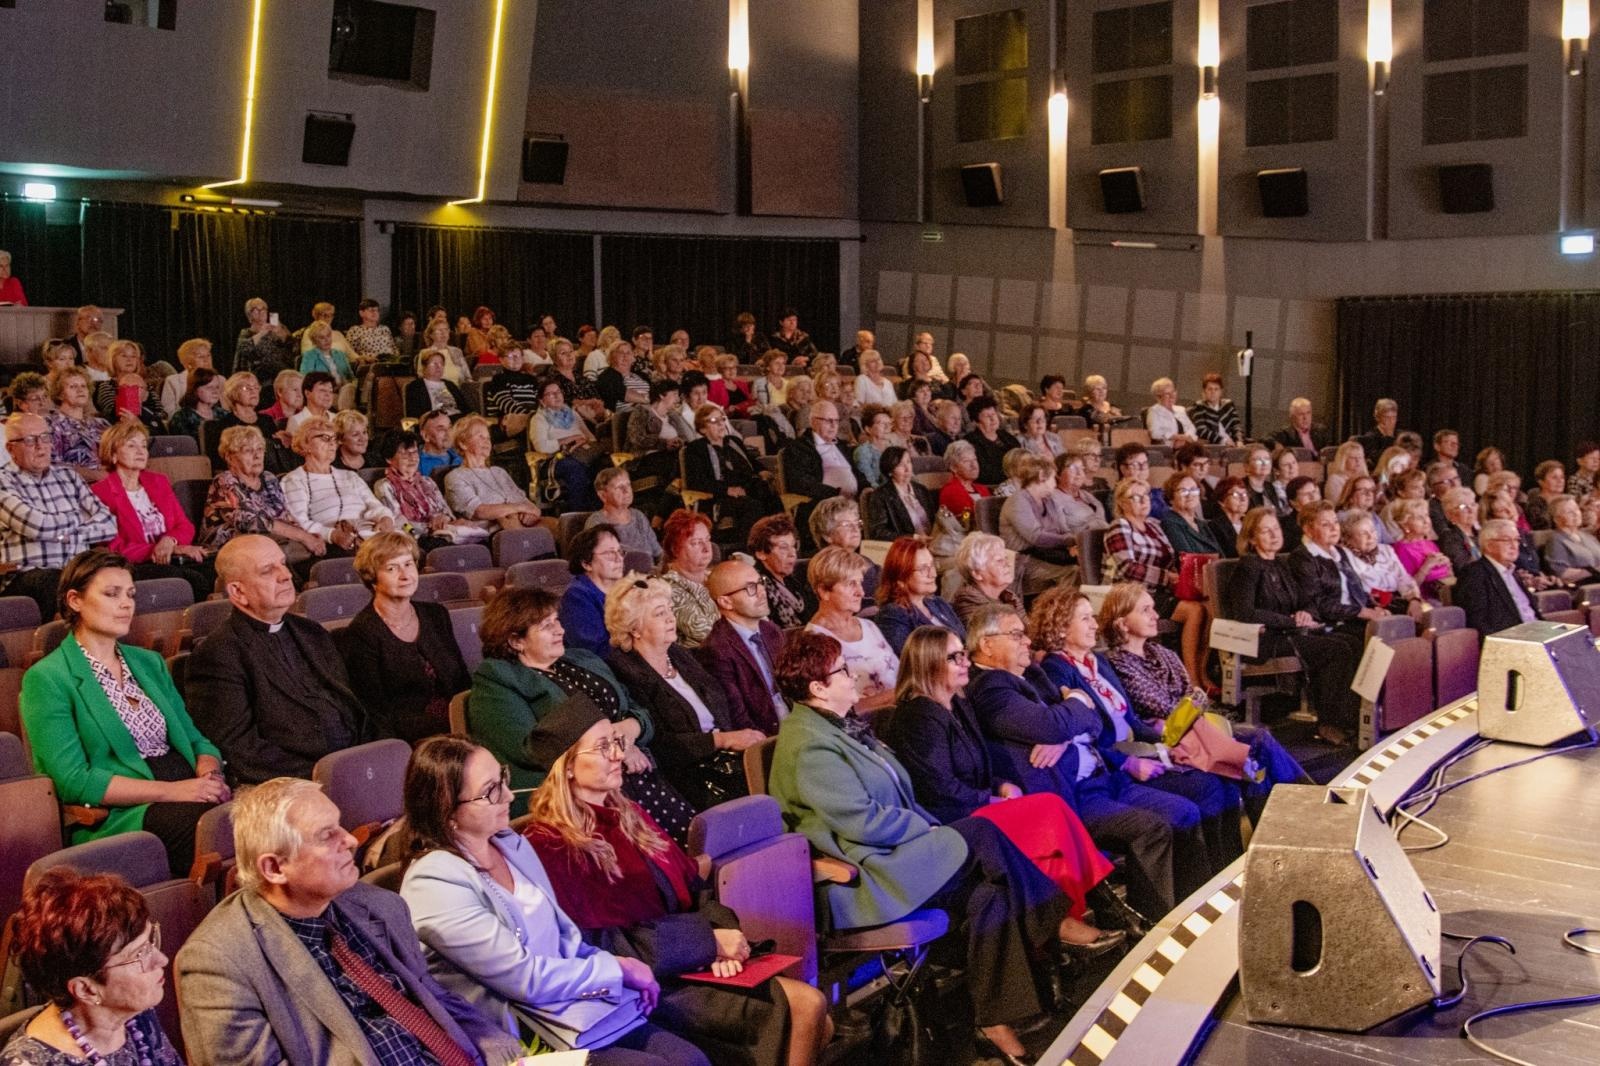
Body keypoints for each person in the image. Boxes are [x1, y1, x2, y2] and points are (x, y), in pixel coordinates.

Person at [769, 630, 1070, 1063]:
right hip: (863, 874)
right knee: (985, 831)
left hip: (895, 853)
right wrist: (926, 830)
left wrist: (925, 827)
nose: (853, 676)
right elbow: (861, 820)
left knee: (991, 895)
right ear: (818, 688)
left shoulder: (840, 726)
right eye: (842, 671)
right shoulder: (810, 742)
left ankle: (993, 1020)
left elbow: (897, 796)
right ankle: (1052, 925)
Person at [396, 738, 712, 1066]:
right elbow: (524, 979)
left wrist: (618, 972)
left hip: (571, 1010)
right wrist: (616, 968)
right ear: (447, 813)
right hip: (522, 1037)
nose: (507, 794)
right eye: (490, 790)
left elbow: (567, 941)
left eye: (502, 778)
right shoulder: (434, 881)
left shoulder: (510, 844)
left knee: (691, 1058)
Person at [176, 777, 520, 1066]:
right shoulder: (219, 962)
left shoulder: (379, 906)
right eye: (327, 836)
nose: (352, 840)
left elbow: (433, 999)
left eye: (340, 825)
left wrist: (503, 1051)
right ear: (275, 868)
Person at [965, 600, 1214, 918]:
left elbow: (1095, 724)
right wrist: (1070, 714)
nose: (1027, 641)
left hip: (1102, 774)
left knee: (1187, 812)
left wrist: (1068, 726)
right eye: (1016, 635)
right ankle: (1155, 928)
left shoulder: (1033, 674)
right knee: (1152, 829)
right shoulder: (991, 688)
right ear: (987, 644)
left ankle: (1196, 915)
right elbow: (1051, 724)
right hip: (1069, 794)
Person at [885, 625, 1131, 945]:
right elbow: (938, 787)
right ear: (929, 661)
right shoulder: (917, 716)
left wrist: (1001, 785)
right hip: (952, 818)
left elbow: (980, 763)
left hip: (979, 804)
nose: (965, 662)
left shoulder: (957, 704)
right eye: (955, 656)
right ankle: (1078, 919)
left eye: (963, 654)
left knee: (1049, 806)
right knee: (1044, 809)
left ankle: (1093, 908)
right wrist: (990, 800)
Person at [20, 551, 227, 876]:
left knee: (258, 819)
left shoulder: (149, 662)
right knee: (213, 830)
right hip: (123, 811)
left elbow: (198, 741)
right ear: (74, 600)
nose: (126, 604)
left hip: (189, 787)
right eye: (111, 594)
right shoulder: (47, 677)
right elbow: (73, 781)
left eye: (130, 594)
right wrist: (175, 792)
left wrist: (209, 777)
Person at [467, 585, 694, 839]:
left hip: (636, 772)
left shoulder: (582, 660)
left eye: (557, 621)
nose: (560, 630)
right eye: (546, 626)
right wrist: (612, 746)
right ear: (515, 641)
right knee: (664, 854)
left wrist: (627, 731)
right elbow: (531, 749)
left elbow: (640, 711)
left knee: (696, 841)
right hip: (574, 791)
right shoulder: (497, 680)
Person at [1095, 584, 1309, 810]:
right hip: (1170, 741)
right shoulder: (1118, 664)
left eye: (1154, 609)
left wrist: (1190, 704)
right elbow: (1165, 706)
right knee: (1255, 744)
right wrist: (1191, 703)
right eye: (1145, 610)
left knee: (1255, 752)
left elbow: (1194, 697)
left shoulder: (1163, 653)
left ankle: (1295, 813)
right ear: (1122, 623)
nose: (1156, 616)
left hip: (1195, 730)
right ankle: (1308, 806)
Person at [186, 536, 367, 784]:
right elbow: (241, 749)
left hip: (351, 762)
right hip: (295, 783)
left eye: (283, 564)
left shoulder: (311, 631)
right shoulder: (218, 654)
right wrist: (325, 776)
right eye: (268, 570)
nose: (286, 575)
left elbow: (354, 704)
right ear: (238, 592)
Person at [607, 577, 761, 810]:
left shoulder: (679, 654)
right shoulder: (625, 672)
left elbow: (721, 705)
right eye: (660, 613)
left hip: (728, 759)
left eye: (670, 609)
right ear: (635, 628)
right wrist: (722, 740)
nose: (671, 618)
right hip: (688, 776)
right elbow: (659, 743)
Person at [2, 870, 182, 1065]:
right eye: (139, 954)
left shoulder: (135, 1014)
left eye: (150, 941)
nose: (162, 959)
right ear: (86, 990)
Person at [1223, 508, 1363, 746]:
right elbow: (1245, 613)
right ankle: (1329, 722)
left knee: (1350, 642)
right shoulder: (1248, 567)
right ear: (1252, 537)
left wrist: (1305, 613)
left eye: (1276, 529)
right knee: (1335, 650)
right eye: (1266, 531)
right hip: (1264, 640)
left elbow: (1304, 600)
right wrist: (1290, 621)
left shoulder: (1280, 563)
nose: (1274, 534)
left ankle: (1348, 718)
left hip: (1289, 632)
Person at [337, 532, 468, 745]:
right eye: (392, 568)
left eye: (408, 564)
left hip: (458, 726)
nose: (405, 575)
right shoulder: (361, 633)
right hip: (412, 740)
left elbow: (461, 680)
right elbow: (377, 713)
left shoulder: (436, 615)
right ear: (372, 579)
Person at [0, 412, 119, 616]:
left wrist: (67, 534)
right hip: (25, 575)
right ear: (11, 449)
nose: (40, 445)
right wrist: (78, 516)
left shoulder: (68, 476)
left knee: (118, 577)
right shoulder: (4, 481)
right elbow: (36, 525)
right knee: (55, 582)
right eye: (30, 440)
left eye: (45, 437)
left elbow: (109, 524)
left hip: (77, 570)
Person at [87, 421, 215, 601]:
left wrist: (170, 541)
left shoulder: (159, 482)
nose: (140, 451)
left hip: (171, 557)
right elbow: (113, 547)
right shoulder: (100, 493)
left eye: (143, 445)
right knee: (190, 580)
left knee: (215, 568)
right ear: (113, 454)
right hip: (135, 565)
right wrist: (159, 549)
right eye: (131, 445)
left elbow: (184, 525)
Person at [1104, 478, 1209, 688]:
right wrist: (1166, 577)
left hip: (1159, 591)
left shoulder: (1154, 525)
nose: (1144, 501)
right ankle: (1191, 678)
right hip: (1129, 593)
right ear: (1122, 503)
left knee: (1208, 606)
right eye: (1136, 497)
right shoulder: (1119, 526)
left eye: (1147, 496)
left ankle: (1201, 670)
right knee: (1194, 611)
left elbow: (1170, 559)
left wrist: (1178, 575)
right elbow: (1127, 567)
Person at [200, 425, 322, 562]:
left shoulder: (268, 478)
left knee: (315, 543)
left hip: (273, 539)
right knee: (276, 548)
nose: (257, 456)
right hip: (232, 546)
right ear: (229, 457)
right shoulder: (225, 481)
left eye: (259, 449)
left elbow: (284, 515)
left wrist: (309, 534)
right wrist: (301, 536)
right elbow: (249, 522)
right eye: (248, 451)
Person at [700, 559, 790, 735]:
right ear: (726, 602)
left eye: (760, 583)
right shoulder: (716, 650)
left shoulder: (770, 630)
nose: (762, 592)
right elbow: (738, 718)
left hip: (796, 723)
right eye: (750, 588)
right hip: (767, 737)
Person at [279, 420, 396, 553]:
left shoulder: (350, 476)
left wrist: (385, 517)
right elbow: (300, 522)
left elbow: (374, 504)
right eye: (324, 438)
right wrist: (331, 534)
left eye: (334, 439)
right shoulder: (294, 480)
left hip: (369, 531)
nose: (332, 443)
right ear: (306, 444)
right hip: (335, 542)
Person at [1287, 501, 1389, 633]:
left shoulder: (1339, 552)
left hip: (1354, 615)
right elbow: (1318, 603)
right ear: (1308, 530)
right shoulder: (1303, 558)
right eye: (1325, 525)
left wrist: (1374, 605)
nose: (1334, 528)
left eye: (1335, 522)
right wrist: (1362, 612)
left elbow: (1353, 589)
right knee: (1380, 635)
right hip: (1333, 623)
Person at [682, 403, 777, 538]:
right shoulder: (696, 449)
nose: (721, 424)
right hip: (721, 497)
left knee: (774, 500)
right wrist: (727, 490)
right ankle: (750, 549)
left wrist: (761, 470)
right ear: (703, 429)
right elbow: (697, 482)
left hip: (748, 488)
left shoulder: (734, 441)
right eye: (714, 421)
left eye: (722, 419)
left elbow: (752, 462)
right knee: (752, 506)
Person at [446, 414, 546, 530]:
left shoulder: (499, 472)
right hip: (495, 533)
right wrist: (521, 508)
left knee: (561, 526)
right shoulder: (456, 476)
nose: (487, 442)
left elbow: (526, 502)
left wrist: (532, 513)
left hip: (524, 525)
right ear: (463, 444)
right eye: (480, 437)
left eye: (488, 438)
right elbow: (479, 511)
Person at [999, 452, 1077, 596]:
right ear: (1041, 476)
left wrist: (1073, 545)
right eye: (1053, 477)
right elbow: (1036, 537)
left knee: (1083, 565)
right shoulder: (1017, 501)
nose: (1056, 482)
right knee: (1072, 572)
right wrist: (1070, 540)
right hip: (1023, 560)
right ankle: (1062, 614)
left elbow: (1062, 529)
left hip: (1048, 554)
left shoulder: (1050, 500)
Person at [779, 402, 856, 547]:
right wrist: (836, 493)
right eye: (828, 421)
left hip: (852, 502)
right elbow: (801, 483)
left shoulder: (842, 446)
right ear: (813, 421)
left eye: (836, 421)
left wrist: (866, 489)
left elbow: (858, 475)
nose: (834, 425)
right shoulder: (798, 448)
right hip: (822, 503)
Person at [873, 536, 965, 656]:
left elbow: (964, 641)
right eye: (923, 569)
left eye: (932, 565)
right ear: (901, 577)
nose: (933, 574)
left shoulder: (938, 603)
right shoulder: (892, 616)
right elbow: (911, 662)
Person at [1455, 519, 1539, 640]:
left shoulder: (1513, 573)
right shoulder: (1474, 574)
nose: (1514, 545)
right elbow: (1478, 622)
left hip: (1536, 635)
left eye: (1516, 539)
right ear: (1489, 545)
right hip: (1512, 642)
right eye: (1506, 540)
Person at [529, 378, 605, 511]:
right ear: (542, 401)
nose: (557, 395)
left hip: (580, 453)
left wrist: (582, 441)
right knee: (575, 468)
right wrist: (569, 440)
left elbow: (590, 437)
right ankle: (579, 512)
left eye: (558, 392)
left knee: (602, 464)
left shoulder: (572, 413)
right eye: (550, 394)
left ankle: (599, 509)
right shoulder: (538, 419)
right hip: (554, 459)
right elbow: (541, 447)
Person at [371, 431, 455, 550]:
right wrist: (426, 529)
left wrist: (443, 518)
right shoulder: (384, 486)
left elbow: (447, 512)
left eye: (415, 452)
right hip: (414, 539)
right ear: (389, 459)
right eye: (405, 454)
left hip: (444, 532)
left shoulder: (427, 481)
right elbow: (398, 520)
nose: (412, 458)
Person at [559, 523, 626, 657]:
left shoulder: (627, 588)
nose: (619, 559)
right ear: (586, 563)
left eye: (620, 551)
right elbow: (594, 652)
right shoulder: (576, 597)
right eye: (609, 553)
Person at [1339, 510, 1421, 613]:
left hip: (1400, 601)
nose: (1370, 537)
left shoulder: (1386, 550)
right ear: (1348, 539)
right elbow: (1360, 592)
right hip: (1371, 607)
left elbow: (1403, 578)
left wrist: (1414, 600)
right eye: (1363, 534)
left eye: (1372, 531)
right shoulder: (1344, 557)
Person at [659, 509, 719, 648]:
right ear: (675, 549)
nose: (707, 548)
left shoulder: (716, 576)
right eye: (696, 542)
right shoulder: (667, 589)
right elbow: (706, 632)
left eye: (708, 540)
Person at [748, 513, 814, 629]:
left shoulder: (794, 582)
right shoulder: (757, 588)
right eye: (784, 547)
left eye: (794, 546)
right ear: (761, 553)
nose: (792, 554)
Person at [587, 467, 663, 563]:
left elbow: (658, 553)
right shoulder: (597, 523)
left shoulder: (639, 516)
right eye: (619, 487)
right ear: (603, 495)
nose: (626, 491)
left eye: (628, 485)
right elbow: (599, 563)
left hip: (650, 575)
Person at [949, 531, 1022, 627]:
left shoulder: (1009, 596)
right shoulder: (968, 602)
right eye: (999, 561)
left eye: (1006, 558)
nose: (1008, 564)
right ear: (977, 573)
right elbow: (995, 639)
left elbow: (1029, 631)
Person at [865, 446, 937, 541]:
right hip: (905, 547)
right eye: (900, 465)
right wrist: (913, 538)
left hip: (932, 542)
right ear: (890, 471)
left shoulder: (921, 489)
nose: (907, 469)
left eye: (908, 462)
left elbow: (934, 519)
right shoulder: (880, 496)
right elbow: (878, 532)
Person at [1389, 498, 1453, 603]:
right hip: (1423, 601)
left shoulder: (1430, 543)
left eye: (1426, 515)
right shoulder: (1401, 549)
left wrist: (1448, 565)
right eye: (1419, 518)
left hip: (1445, 595)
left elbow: (1449, 576)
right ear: (1405, 524)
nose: (1426, 521)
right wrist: (1426, 566)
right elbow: (1407, 588)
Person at [46, 365, 110, 468]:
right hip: (75, 481)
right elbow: (53, 466)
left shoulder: (101, 423)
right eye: (73, 386)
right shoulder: (51, 424)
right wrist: (97, 475)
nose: (80, 390)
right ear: (60, 394)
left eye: (83, 386)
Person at [962, 396, 1019, 487]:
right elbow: (984, 473)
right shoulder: (971, 442)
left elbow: (1021, 458)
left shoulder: (1007, 437)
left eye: (993, 414)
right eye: (987, 416)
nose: (993, 419)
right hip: (991, 487)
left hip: (1016, 482)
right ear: (977, 421)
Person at [1160, 473, 1222, 556]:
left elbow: (1220, 555)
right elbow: (1186, 557)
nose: (1190, 495)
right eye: (1183, 491)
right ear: (1171, 498)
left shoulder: (1202, 524)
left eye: (1193, 490)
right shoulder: (1170, 523)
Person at [234, 298, 296, 381]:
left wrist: (281, 334)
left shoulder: (277, 328)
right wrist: (261, 333)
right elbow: (244, 349)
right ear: (249, 314)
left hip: (282, 375)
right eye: (256, 310)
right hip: (259, 379)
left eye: (263, 309)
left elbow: (293, 346)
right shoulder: (246, 333)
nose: (261, 313)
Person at [1542, 493, 1600, 582]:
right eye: (1569, 512)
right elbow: (1562, 573)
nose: (1576, 514)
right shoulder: (1555, 540)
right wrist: (1593, 571)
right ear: (1556, 519)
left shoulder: (1589, 537)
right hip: (1582, 587)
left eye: (1576, 509)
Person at [938, 439, 991, 531]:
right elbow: (966, 518)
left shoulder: (983, 489)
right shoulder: (951, 491)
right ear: (954, 467)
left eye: (975, 460)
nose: (974, 465)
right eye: (966, 461)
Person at [405, 349, 466, 419]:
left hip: (458, 421)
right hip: (436, 421)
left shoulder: (450, 385)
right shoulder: (416, 386)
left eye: (441, 364)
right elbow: (414, 414)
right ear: (424, 367)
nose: (438, 367)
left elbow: (465, 407)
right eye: (434, 364)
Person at [159, 338, 213, 417]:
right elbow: (168, 412)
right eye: (201, 357)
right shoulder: (173, 381)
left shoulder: (219, 379)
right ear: (188, 362)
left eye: (208, 355)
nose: (206, 360)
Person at [167, 368, 224, 441]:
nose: (215, 391)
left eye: (217, 387)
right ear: (195, 389)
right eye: (209, 388)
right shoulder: (182, 418)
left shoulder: (224, 415)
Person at [1436, 485, 1483, 573]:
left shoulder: (1481, 533)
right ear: (1450, 514)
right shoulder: (1450, 538)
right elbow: (1463, 567)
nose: (1471, 510)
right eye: (1463, 507)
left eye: (1473, 504)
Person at [1188, 373, 1241, 446]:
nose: (1213, 392)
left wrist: (1239, 440)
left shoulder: (1228, 405)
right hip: (1214, 445)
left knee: (1258, 446)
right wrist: (1223, 440)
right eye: (1210, 389)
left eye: (1216, 389)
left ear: (1221, 392)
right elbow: (1202, 430)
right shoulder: (1199, 407)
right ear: (1204, 391)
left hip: (1233, 443)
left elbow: (1236, 426)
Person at [1143, 377, 1196, 445]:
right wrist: (1176, 437)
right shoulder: (1154, 411)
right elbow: (1154, 433)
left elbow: (1191, 428)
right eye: (1167, 394)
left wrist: (1185, 439)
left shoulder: (1181, 409)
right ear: (1159, 397)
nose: (1172, 396)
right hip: (1168, 446)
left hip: (1186, 444)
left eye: (1173, 392)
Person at [851, 404, 893, 488]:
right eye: (882, 423)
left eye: (889, 423)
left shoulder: (893, 448)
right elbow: (870, 483)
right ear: (868, 429)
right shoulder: (863, 452)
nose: (887, 427)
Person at [285, 371, 335, 436]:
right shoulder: (297, 420)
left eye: (330, 391)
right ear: (307, 393)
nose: (328, 395)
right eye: (322, 390)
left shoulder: (336, 418)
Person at [1323, 441, 1368, 507]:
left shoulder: (1365, 477)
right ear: (1343, 460)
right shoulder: (1335, 480)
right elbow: (1337, 506)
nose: (1358, 461)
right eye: (1353, 458)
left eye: (1360, 457)